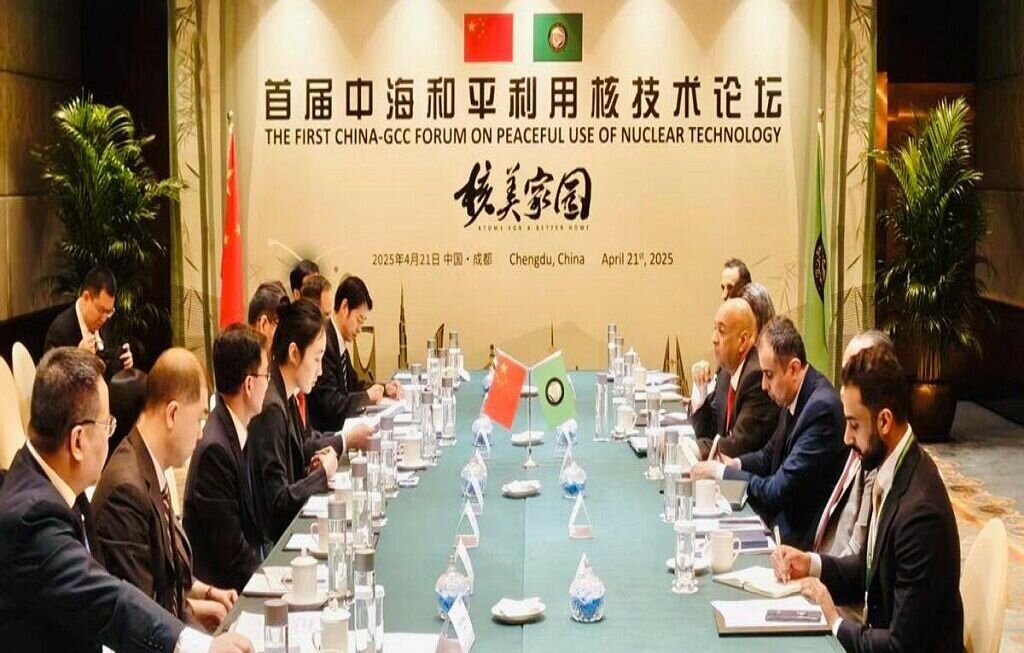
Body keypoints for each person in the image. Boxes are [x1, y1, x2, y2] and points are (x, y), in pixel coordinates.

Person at [0, 347, 252, 652]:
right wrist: (201, 647)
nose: (111, 435)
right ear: (78, 441)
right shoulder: (31, 518)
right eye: (107, 424)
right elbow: (110, 599)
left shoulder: (54, 483)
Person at [772, 345, 963, 652]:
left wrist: (834, 622)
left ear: (884, 421)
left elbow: (902, 646)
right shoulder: (894, 469)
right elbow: (870, 570)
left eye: (854, 424)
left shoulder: (920, 515)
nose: (847, 438)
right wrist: (810, 564)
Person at [92, 348, 237, 633]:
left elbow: (167, 580)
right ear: (172, 413)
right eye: (199, 419)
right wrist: (207, 646)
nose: (200, 434)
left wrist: (205, 596)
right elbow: (144, 620)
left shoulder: (149, 465)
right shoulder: (126, 491)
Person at [691, 317, 847, 549]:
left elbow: (776, 491)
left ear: (793, 369)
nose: (764, 385)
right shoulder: (794, 394)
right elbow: (767, 456)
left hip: (794, 544)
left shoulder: (821, 410)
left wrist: (721, 472)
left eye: (769, 374)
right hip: (778, 525)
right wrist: (734, 464)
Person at [247, 299, 370, 549]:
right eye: (317, 359)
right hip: (276, 542)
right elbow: (277, 503)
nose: (321, 371)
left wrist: (318, 460)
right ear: (294, 353)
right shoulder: (272, 407)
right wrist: (322, 474)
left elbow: (302, 445)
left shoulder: (287, 394)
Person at [184, 325, 268, 592]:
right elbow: (232, 554)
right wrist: (274, 584)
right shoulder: (215, 450)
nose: (269, 384)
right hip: (224, 596)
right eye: (266, 375)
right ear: (249, 384)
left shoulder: (239, 428)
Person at [813, 331, 892, 558]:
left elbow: (857, 555)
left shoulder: (877, 453)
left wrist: (816, 569)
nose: (842, 389)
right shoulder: (858, 434)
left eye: (853, 377)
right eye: (844, 375)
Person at [308, 275, 401, 431]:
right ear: (345, 307)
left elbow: (354, 385)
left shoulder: (338, 342)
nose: (359, 329)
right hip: (328, 434)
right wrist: (367, 397)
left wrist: (385, 388)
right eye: (359, 320)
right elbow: (332, 403)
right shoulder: (325, 343)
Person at [690, 298, 778, 459]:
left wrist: (691, 449)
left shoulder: (756, 377)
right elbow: (709, 432)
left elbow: (737, 447)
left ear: (743, 341)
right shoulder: (726, 370)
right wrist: (700, 388)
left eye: (721, 331)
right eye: (714, 329)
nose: (714, 338)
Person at [44, 266, 134, 376]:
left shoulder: (105, 322)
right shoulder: (59, 332)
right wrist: (77, 360)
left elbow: (107, 371)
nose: (104, 318)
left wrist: (123, 364)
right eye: (101, 310)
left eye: (109, 311)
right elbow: (49, 381)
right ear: (86, 297)